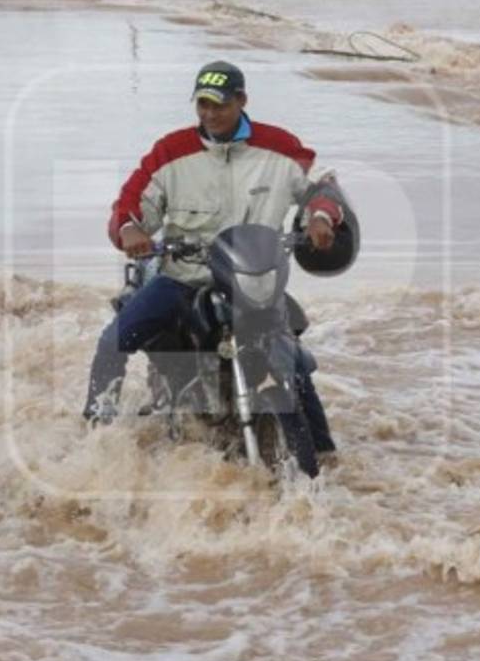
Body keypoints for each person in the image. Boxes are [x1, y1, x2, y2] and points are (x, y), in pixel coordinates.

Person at [83, 61, 353, 461]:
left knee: (293, 361)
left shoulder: (279, 148)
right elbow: (130, 206)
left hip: (252, 278)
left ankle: (326, 455)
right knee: (113, 340)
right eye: (203, 104)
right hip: (183, 278)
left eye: (219, 105)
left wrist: (319, 217)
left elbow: (321, 190)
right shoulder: (170, 152)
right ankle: (95, 437)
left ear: (242, 101)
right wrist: (129, 231)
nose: (210, 114)